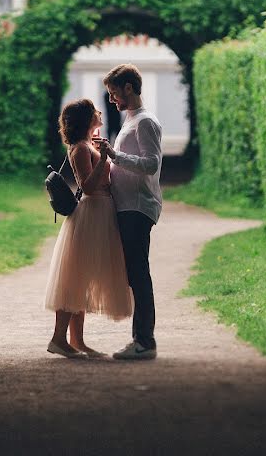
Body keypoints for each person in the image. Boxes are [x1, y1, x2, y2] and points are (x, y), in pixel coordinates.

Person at [44, 98, 134, 359]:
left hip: (99, 213)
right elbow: (89, 185)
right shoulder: (81, 149)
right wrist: (105, 157)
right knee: (76, 279)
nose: (99, 112)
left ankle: (77, 341)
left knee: (82, 279)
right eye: (94, 110)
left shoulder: (87, 145)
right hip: (92, 212)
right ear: (87, 118)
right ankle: (58, 339)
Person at [97, 64, 163, 360]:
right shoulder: (131, 120)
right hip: (127, 206)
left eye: (113, 94)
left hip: (138, 207)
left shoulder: (145, 122)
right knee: (134, 273)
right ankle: (141, 339)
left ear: (127, 87)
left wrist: (114, 156)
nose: (112, 100)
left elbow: (150, 164)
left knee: (138, 274)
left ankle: (144, 342)